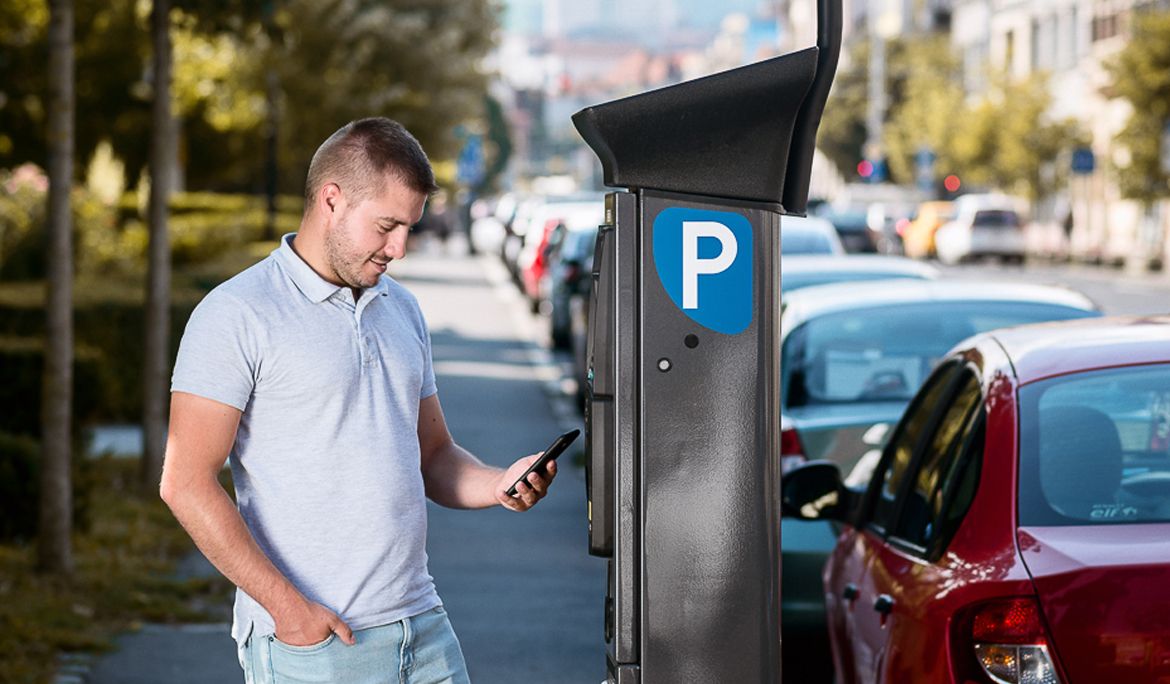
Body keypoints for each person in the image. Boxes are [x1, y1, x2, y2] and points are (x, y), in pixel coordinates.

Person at [159, 117, 558, 684]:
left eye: (408, 228)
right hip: (317, 645)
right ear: (332, 199)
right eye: (387, 226)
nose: (399, 247)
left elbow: (435, 456)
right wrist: (289, 612)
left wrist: (499, 484)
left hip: (423, 628)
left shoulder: (402, 309)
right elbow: (186, 482)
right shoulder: (237, 314)